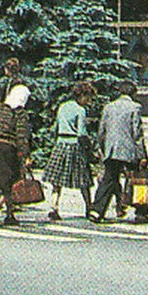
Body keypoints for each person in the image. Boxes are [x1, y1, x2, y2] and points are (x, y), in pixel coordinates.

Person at [94, 80, 148, 223]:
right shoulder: (135, 108)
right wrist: (142, 154)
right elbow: (137, 133)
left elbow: (102, 130)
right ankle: (141, 212)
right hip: (128, 150)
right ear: (133, 93)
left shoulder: (109, 107)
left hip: (112, 150)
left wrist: (102, 148)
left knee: (109, 179)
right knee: (136, 179)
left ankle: (97, 210)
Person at [0, 83, 30, 226]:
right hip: (8, 148)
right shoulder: (20, 114)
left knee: (1, 181)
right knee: (13, 180)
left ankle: (9, 214)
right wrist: (24, 155)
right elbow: (22, 136)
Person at [45, 81, 97, 221]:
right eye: (88, 98)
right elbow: (81, 133)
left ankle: (53, 207)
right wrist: (89, 148)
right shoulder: (80, 110)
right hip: (74, 145)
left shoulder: (62, 106)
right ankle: (88, 207)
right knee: (83, 179)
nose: (88, 102)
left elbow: (55, 128)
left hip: (61, 143)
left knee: (57, 179)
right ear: (82, 95)